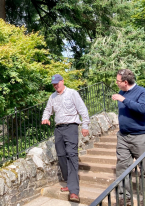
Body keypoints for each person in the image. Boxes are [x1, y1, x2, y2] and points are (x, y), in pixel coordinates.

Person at [41, 74, 90, 203]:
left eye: (57, 83)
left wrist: (85, 125)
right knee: (61, 155)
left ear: (62, 81)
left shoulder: (72, 93)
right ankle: (69, 182)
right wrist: (45, 118)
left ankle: (74, 191)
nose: (55, 85)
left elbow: (83, 109)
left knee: (71, 154)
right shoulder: (52, 96)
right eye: (53, 84)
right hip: (59, 129)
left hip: (71, 127)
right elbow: (47, 110)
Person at [112, 69, 145, 206]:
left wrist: (123, 99)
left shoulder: (142, 91)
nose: (116, 83)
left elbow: (142, 109)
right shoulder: (121, 93)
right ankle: (125, 199)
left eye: (118, 81)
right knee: (122, 168)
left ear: (125, 82)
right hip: (123, 137)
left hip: (141, 136)